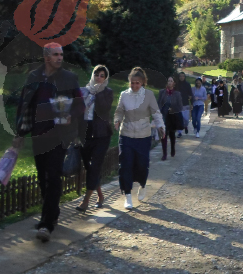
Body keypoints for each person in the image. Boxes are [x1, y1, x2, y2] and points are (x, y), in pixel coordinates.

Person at [13, 43, 84, 242]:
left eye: (61, 54)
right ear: (46, 57)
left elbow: (80, 105)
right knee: (42, 176)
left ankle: (46, 224)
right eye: (55, 54)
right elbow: (24, 106)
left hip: (60, 135)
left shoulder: (69, 78)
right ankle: (52, 212)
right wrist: (19, 133)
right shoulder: (34, 77)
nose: (60, 57)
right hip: (39, 134)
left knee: (53, 175)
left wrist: (71, 115)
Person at [113, 67, 165, 209]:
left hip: (143, 136)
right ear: (129, 82)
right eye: (132, 83)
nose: (135, 85)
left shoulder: (148, 95)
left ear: (142, 82)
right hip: (126, 135)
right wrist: (117, 120)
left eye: (137, 83)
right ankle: (128, 195)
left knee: (142, 165)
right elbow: (119, 111)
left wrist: (161, 126)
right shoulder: (124, 95)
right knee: (125, 165)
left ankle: (142, 185)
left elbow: (156, 113)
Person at [76, 65, 114, 212]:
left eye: (102, 76)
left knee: (95, 166)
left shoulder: (107, 92)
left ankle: (86, 201)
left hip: (102, 134)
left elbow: (104, 108)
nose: (99, 78)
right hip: (85, 132)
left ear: (106, 78)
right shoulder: (84, 90)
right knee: (88, 166)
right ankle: (100, 195)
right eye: (97, 75)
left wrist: (96, 93)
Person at [157, 77, 184, 160]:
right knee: (163, 135)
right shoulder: (162, 92)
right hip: (164, 116)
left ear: (174, 83)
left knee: (172, 134)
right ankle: (164, 154)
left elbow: (180, 106)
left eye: (171, 81)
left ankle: (172, 148)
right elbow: (158, 103)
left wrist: (173, 109)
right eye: (168, 81)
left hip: (172, 117)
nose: (169, 82)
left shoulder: (177, 94)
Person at [176, 72, 193, 137]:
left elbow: (191, 94)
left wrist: (191, 103)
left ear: (184, 77)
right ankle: (179, 132)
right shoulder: (176, 85)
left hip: (185, 104)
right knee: (178, 119)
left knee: (186, 119)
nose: (181, 77)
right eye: (180, 76)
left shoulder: (187, 84)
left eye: (183, 76)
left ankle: (185, 126)